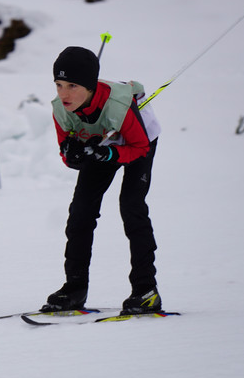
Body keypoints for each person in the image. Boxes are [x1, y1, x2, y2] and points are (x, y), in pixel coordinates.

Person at [41, 46, 162, 315]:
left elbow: (139, 147)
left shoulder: (119, 106)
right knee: (80, 213)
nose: (64, 94)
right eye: (59, 84)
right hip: (102, 140)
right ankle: (74, 289)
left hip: (138, 139)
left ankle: (146, 291)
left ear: (90, 86)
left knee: (131, 206)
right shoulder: (61, 110)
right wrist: (75, 155)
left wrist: (104, 152)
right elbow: (68, 158)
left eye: (72, 85)